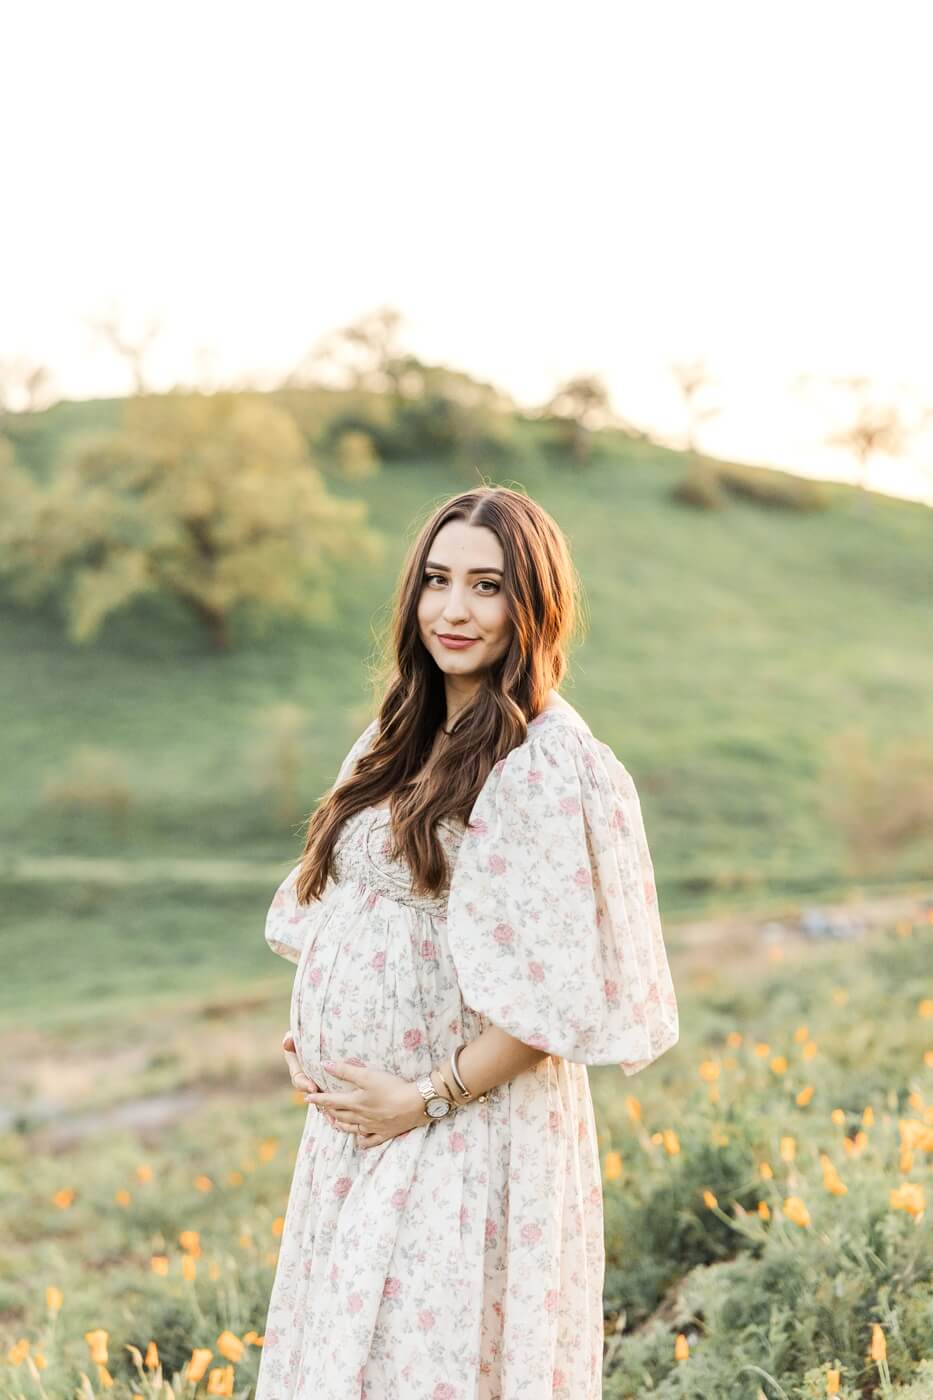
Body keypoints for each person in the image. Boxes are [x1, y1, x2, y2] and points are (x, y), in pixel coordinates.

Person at [254, 485, 679, 1399]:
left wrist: (424, 1098)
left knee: (418, 1374)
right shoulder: (396, 735)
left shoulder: (546, 761)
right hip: (360, 1136)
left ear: (534, 605)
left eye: (487, 587)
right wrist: (315, 1041)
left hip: (462, 1134)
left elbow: (551, 1000)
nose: (454, 609)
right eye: (437, 580)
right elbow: (347, 911)